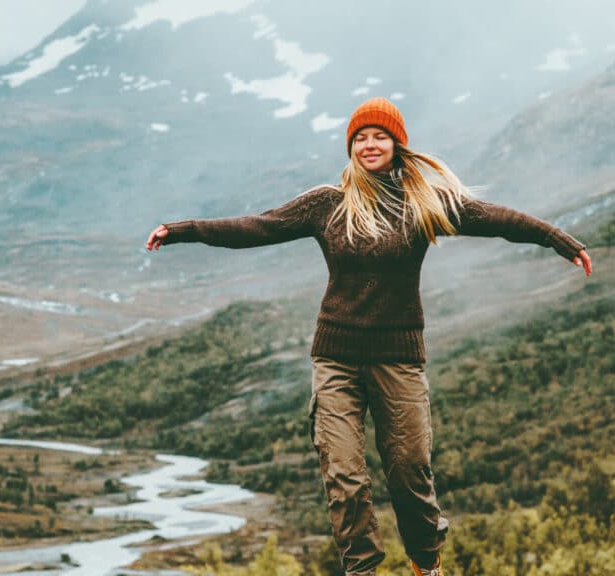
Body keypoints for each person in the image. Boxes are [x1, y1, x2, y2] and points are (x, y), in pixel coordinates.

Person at [144, 97, 592, 576]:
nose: (369, 144)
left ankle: (426, 563)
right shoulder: (327, 204)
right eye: (360, 137)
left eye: (380, 136)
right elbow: (258, 227)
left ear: (397, 145)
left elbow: (498, 220)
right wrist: (182, 230)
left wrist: (560, 240)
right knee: (344, 475)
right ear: (351, 147)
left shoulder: (425, 203)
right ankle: (362, 570)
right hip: (335, 358)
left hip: (398, 359)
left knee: (409, 471)